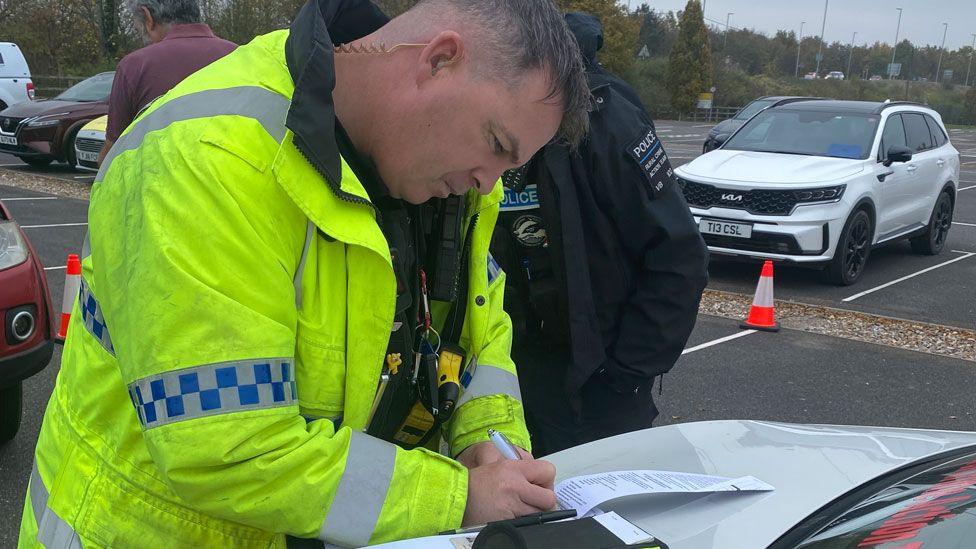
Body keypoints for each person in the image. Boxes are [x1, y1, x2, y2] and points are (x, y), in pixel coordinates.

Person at [19, 0, 589, 547]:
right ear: (438, 60)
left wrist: (491, 447)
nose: (488, 183)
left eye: (507, 167)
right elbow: (229, 449)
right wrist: (457, 497)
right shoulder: (210, 158)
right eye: (495, 144)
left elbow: (479, 337)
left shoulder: (450, 186)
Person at [491, 12, 708, 457]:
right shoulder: (489, 112)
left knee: (610, 512)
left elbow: (679, 257)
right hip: (522, 366)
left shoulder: (607, 123)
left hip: (605, 376)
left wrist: (625, 373)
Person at [96, 0, 237, 165]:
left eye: (137, 28)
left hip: (159, 186)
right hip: (235, 184)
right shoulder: (240, 56)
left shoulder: (135, 66)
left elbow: (113, 154)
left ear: (148, 17)